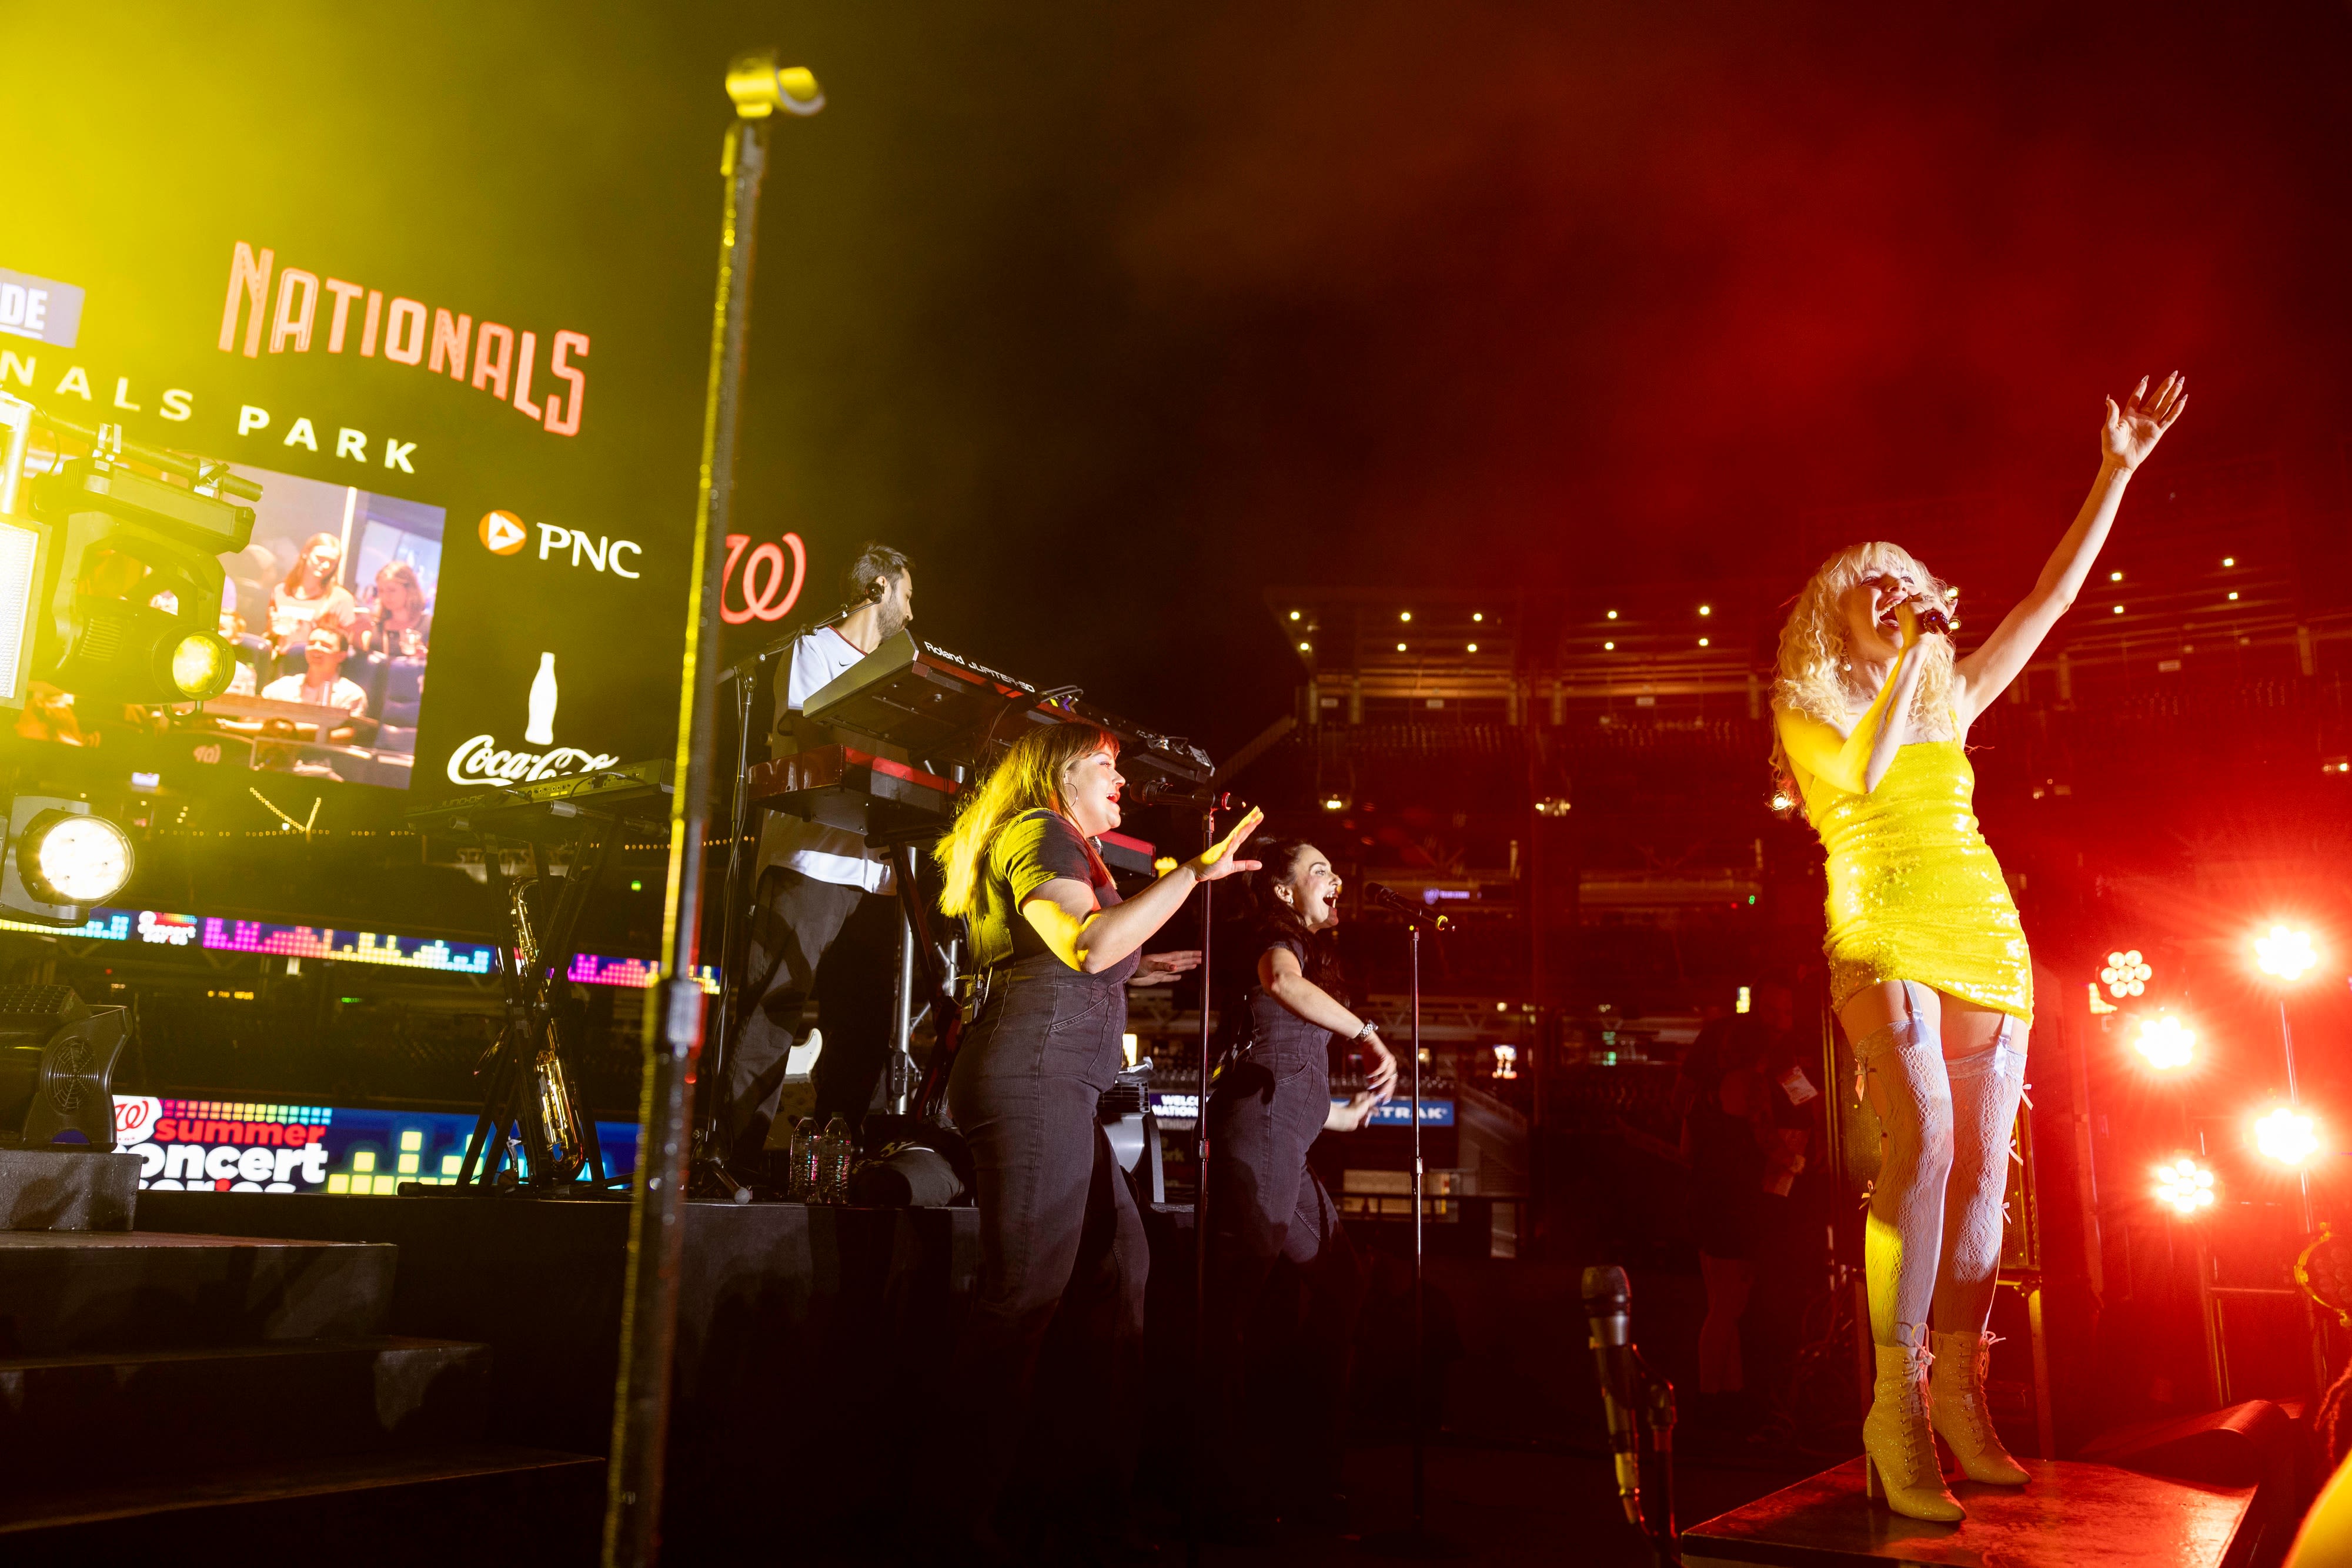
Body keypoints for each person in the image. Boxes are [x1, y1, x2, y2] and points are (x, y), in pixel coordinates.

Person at [1770, 372, 2186, 1521]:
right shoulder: (1809, 702)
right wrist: (1911, 666)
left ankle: (1962, 1387)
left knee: (1983, 1181)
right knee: (1925, 1143)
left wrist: (2113, 472)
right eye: (1876, 584)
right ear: (1834, 606)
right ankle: (1892, 1404)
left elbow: (2047, 602)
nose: (1899, 594)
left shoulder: (1945, 692)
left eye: (1909, 582)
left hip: (1977, 922)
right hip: (1880, 918)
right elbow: (1853, 771)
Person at [930, 721, 1259, 1559]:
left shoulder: (1066, 843)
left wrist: (1140, 964)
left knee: (1116, 1269)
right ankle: (952, 1519)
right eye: (1105, 765)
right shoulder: (1039, 831)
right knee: (1021, 1297)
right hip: (1033, 1073)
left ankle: (1082, 1504)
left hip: (1054, 1078)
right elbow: (1086, 942)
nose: (1122, 778)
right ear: (1056, 774)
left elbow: (1081, 949)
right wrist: (1191, 872)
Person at [1203, 836, 1398, 1529]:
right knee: (1228, 1312)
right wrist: (1367, 1035)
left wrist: (1342, 1114)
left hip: (1283, 1135)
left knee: (1341, 1284)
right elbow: (1281, 984)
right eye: (1320, 870)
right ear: (1283, 891)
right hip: (1258, 1137)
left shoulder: (1306, 946)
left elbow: (1290, 1072)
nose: (1335, 878)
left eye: (1335, 869)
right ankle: (1221, 1491)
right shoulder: (1276, 940)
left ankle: (1303, 1474)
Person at [723, 543, 917, 1161]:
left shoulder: (895, 672)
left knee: (859, 1027)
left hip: (875, 874)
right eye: (907, 596)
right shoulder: (813, 650)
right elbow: (806, 744)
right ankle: (735, 1158)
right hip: (810, 863)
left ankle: (837, 1160)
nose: (911, 614)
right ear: (878, 589)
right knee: (772, 1011)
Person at [258, 625, 370, 742]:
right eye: (311, 643)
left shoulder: (352, 694)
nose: (316, 648)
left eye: (325, 645)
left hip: (320, 756)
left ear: (341, 656)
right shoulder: (283, 685)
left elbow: (347, 735)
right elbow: (253, 719)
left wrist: (290, 734)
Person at [266, 533, 358, 662]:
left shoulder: (341, 599)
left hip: (314, 666)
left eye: (332, 563)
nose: (325, 566)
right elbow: (271, 628)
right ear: (305, 554)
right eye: (320, 558)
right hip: (278, 660)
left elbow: (346, 645)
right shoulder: (281, 590)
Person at [354, 560, 432, 658]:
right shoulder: (376, 625)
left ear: (409, 589)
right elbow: (362, 660)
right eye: (381, 591)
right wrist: (357, 634)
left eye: (392, 590)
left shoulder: (428, 624)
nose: (386, 596)